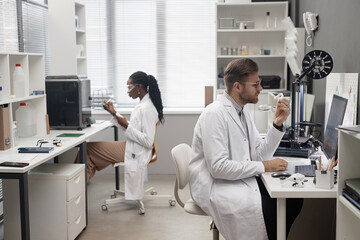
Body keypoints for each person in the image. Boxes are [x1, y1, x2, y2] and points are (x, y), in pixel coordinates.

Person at [188, 59, 303, 240]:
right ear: (237, 86)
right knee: (271, 209)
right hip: (215, 185)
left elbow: (259, 154)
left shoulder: (243, 112)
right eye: (256, 84)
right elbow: (218, 168)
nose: (260, 88)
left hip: (236, 178)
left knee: (294, 198)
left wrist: (277, 124)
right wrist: (265, 167)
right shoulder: (214, 114)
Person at [78, 71, 164, 200]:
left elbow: (148, 141)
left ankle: (75, 190)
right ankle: (77, 189)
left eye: (130, 87)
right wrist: (114, 113)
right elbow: (134, 129)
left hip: (137, 151)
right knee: (90, 154)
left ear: (139, 87)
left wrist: (126, 125)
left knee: (88, 150)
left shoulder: (147, 109)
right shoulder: (144, 105)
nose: (128, 91)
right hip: (133, 146)